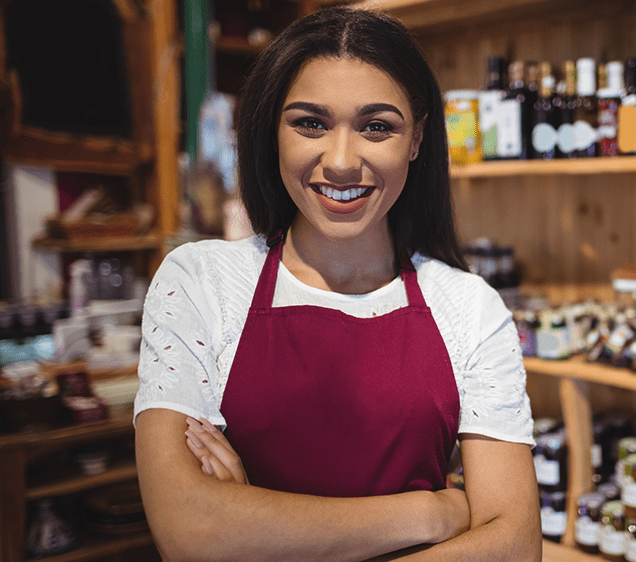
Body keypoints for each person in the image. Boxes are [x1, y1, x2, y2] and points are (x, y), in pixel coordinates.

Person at [133, 6, 541, 561]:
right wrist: (428, 513)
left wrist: (258, 531)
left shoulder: (469, 307)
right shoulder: (200, 282)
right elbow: (189, 532)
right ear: (272, 130)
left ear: (416, 139)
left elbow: (513, 546)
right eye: (310, 123)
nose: (343, 161)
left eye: (377, 127)